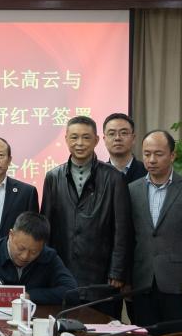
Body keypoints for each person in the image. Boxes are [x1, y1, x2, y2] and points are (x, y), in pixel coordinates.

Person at [41, 116, 131, 316]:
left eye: (86, 137)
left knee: (103, 328)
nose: (79, 143)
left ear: (97, 140)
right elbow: (46, 228)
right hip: (62, 271)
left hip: (101, 274)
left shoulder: (114, 177)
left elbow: (122, 229)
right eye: (74, 137)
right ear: (66, 139)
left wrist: (117, 271)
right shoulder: (53, 177)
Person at [127, 130, 182, 336]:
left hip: (179, 284)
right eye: (147, 154)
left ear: (172, 155)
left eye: (158, 154)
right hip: (142, 282)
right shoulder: (132, 190)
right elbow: (127, 237)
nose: (151, 160)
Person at [102, 113, 147, 183]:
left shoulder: (147, 172)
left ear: (133, 138)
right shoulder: (97, 174)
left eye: (124, 133)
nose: (117, 138)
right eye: (112, 134)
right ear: (104, 139)